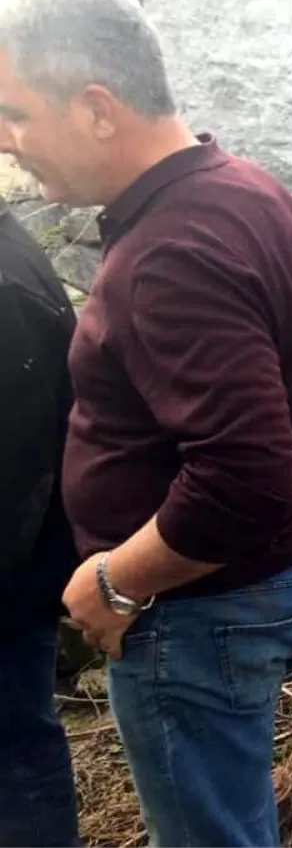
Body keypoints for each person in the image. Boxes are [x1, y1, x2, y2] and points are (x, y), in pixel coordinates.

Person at [0, 0, 292, 846]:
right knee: (223, 806)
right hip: (250, 588)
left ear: (98, 108)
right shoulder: (240, 190)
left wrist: (114, 582)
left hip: (195, 609)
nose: (5, 140)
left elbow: (248, 473)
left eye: (16, 113)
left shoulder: (170, 254)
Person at [0, 198, 81, 847]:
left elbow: (18, 475)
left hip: (10, 585)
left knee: (17, 753)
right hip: (22, 568)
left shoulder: (4, 289)